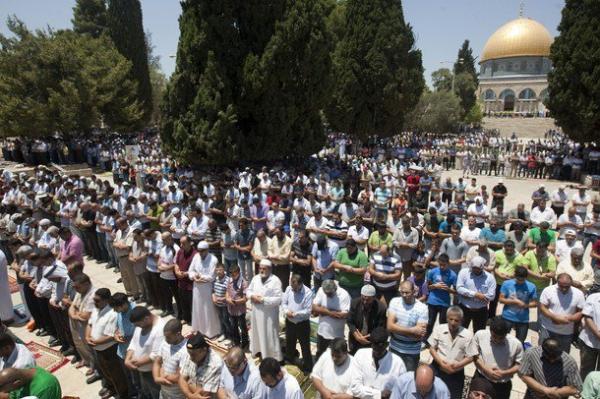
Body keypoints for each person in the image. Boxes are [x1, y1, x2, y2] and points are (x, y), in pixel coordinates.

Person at [85, 287, 129, 399]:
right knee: (105, 371)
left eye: (97, 300)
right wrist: (87, 336)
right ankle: (111, 388)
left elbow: (111, 336)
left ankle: (122, 394)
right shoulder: (96, 309)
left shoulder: (112, 313)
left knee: (116, 374)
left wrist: (95, 341)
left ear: (106, 300)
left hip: (109, 350)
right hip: (97, 349)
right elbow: (89, 324)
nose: (94, 302)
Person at [467, 317, 523, 399]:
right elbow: (475, 355)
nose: (497, 340)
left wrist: (504, 373)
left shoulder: (516, 344)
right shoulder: (480, 335)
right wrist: (486, 369)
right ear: (490, 331)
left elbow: (519, 365)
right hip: (481, 378)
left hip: (502, 384)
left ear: (506, 334)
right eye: (494, 336)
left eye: (501, 338)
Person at [427, 306, 473, 399]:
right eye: (451, 319)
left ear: (461, 320)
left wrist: (458, 366)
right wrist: (441, 363)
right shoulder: (439, 329)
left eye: (456, 320)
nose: (453, 323)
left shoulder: (468, 334)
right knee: (432, 394)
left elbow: (471, 356)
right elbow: (432, 348)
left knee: (454, 396)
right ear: (447, 318)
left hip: (456, 372)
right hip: (437, 368)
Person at [387, 280, 428, 371]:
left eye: (407, 292)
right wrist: (412, 330)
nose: (404, 295)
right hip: (394, 347)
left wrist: (397, 329)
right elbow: (390, 327)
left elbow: (419, 335)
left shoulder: (422, 308)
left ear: (414, 292)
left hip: (412, 352)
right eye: (402, 292)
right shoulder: (394, 302)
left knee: (408, 379)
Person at [125, 306, 165, 399]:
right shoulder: (142, 324)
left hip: (154, 373)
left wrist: (137, 363)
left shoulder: (160, 328)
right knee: (146, 393)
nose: (136, 327)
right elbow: (133, 342)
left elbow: (157, 354)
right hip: (141, 370)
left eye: (138, 325)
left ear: (146, 319)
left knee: (156, 395)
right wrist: (127, 359)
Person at [539, 273, 584, 354]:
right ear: (557, 282)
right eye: (561, 286)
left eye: (566, 287)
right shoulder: (548, 290)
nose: (563, 289)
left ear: (571, 283)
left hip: (566, 332)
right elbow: (542, 307)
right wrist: (554, 317)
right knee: (542, 353)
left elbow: (581, 312)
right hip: (548, 329)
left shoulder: (578, 294)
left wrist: (569, 319)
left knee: (563, 356)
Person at [248, 259, 283, 361]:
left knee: (269, 335)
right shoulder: (255, 278)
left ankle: (271, 356)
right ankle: (258, 350)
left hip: (269, 315)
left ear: (270, 269)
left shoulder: (276, 281)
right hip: (256, 313)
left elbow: (278, 299)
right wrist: (252, 296)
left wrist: (263, 300)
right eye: (260, 268)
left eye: (264, 269)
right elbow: (248, 291)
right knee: (257, 333)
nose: (262, 270)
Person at [188, 241, 221, 338]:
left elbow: (212, 276)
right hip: (197, 288)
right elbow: (190, 270)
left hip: (207, 288)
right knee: (198, 308)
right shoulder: (196, 257)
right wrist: (194, 277)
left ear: (207, 250)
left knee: (208, 309)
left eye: (202, 251)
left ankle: (212, 332)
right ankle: (200, 329)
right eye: (199, 251)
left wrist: (201, 278)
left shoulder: (213, 259)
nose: (200, 253)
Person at [282, 274, 314, 372]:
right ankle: (289, 361)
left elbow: (308, 311)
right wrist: (287, 311)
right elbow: (284, 303)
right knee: (289, 344)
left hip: (302, 324)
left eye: (296, 288)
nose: (294, 290)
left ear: (301, 284)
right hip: (290, 323)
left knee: (305, 347)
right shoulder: (288, 289)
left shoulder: (308, 293)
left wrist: (295, 314)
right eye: (293, 287)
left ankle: (308, 367)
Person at [312, 279, 351, 360]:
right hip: (322, 332)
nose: (327, 295)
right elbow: (314, 308)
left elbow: (343, 315)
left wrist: (323, 310)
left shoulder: (344, 295)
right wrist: (332, 313)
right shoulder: (321, 290)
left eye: (329, 293)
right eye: (326, 293)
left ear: (335, 289)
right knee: (320, 354)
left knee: (337, 356)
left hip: (336, 335)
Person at [498, 266, 537, 344]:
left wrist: (525, 305)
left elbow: (535, 303)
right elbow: (501, 299)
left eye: (522, 280)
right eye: (518, 279)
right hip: (507, 317)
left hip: (523, 319)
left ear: (526, 277)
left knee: (520, 342)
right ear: (515, 276)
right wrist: (515, 302)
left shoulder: (531, 286)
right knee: (502, 339)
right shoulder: (507, 283)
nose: (520, 281)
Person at [456, 256, 496, 332]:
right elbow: (459, 289)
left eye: (478, 268)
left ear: (483, 267)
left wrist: (467, 294)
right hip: (464, 309)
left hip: (481, 311)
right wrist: (475, 294)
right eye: (474, 268)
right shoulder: (463, 273)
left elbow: (491, 296)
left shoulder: (490, 278)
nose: (476, 270)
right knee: (460, 333)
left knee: (479, 334)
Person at [178, 333, 223, 399]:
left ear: (204, 350)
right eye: (189, 354)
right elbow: (181, 379)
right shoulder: (191, 353)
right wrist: (190, 395)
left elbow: (204, 394)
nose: (190, 358)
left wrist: (188, 383)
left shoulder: (216, 363)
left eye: (193, 355)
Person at [346, 284, 387, 354]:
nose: (365, 302)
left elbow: (380, 327)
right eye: (363, 299)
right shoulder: (355, 303)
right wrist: (357, 336)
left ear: (374, 298)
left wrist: (369, 336)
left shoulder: (381, 308)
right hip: (355, 339)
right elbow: (350, 321)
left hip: (371, 341)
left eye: (368, 300)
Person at [490, 239, 526, 318]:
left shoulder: (519, 257)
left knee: (510, 301)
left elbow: (519, 269)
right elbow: (495, 267)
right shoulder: (498, 253)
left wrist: (512, 276)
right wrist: (500, 275)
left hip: (511, 283)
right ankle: (491, 317)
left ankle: (508, 317)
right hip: (498, 281)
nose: (509, 251)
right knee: (494, 301)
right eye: (507, 249)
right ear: (504, 248)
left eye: (511, 249)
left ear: (514, 248)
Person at [152, 319, 187, 399]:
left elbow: (181, 376)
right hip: (164, 393)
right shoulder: (165, 343)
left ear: (178, 334)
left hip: (177, 395)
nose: (166, 340)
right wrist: (157, 378)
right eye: (165, 337)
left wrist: (163, 377)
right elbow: (157, 362)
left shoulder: (185, 351)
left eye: (168, 337)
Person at [425, 253, 456, 338]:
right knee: (430, 322)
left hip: (444, 303)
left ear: (448, 263)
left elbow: (456, 291)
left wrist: (448, 289)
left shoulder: (453, 275)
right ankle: (425, 339)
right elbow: (427, 287)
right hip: (432, 301)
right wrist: (435, 286)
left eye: (444, 265)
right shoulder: (432, 272)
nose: (442, 267)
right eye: (440, 265)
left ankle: (441, 340)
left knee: (443, 323)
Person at [226, 265, 249, 349]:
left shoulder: (243, 282)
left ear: (238, 273)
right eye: (231, 274)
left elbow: (246, 298)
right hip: (231, 309)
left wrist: (236, 302)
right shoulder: (229, 280)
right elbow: (227, 292)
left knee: (242, 327)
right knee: (234, 326)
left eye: (233, 274)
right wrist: (228, 299)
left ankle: (245, 341)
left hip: (240, 310)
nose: (232, 275)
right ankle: (236, 341)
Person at [579, 289, 600, 381]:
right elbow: (587, 317)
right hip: (589, 341)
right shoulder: (593, 298)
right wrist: (598, 334)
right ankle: (583, 388)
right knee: (586, 368)